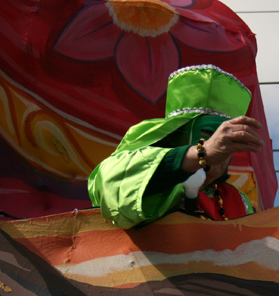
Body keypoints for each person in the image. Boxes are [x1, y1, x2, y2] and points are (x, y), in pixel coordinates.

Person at [88, 65, 265, 228]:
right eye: (208, 133)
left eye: (229, 140)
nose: (220, 145)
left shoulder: (238, 201)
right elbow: (115, 188)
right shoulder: (137, 173)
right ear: (178, 134)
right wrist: (201, 153)